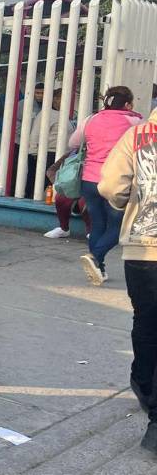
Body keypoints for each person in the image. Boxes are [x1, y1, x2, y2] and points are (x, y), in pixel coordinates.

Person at [98, 103, 157, 452]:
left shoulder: (137, 135)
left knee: (146, 321)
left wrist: (128, 200)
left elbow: (109, 186)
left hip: (143, 249)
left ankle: (142, 382)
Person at [68, 86, 144, 285]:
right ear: (128, 104)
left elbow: (73, 143)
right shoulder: (133, 121)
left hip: (90, 180)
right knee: (118, 227)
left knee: (98, 224)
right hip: (117, 181)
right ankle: (96, 257)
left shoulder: (91, 119)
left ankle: (98, 268)